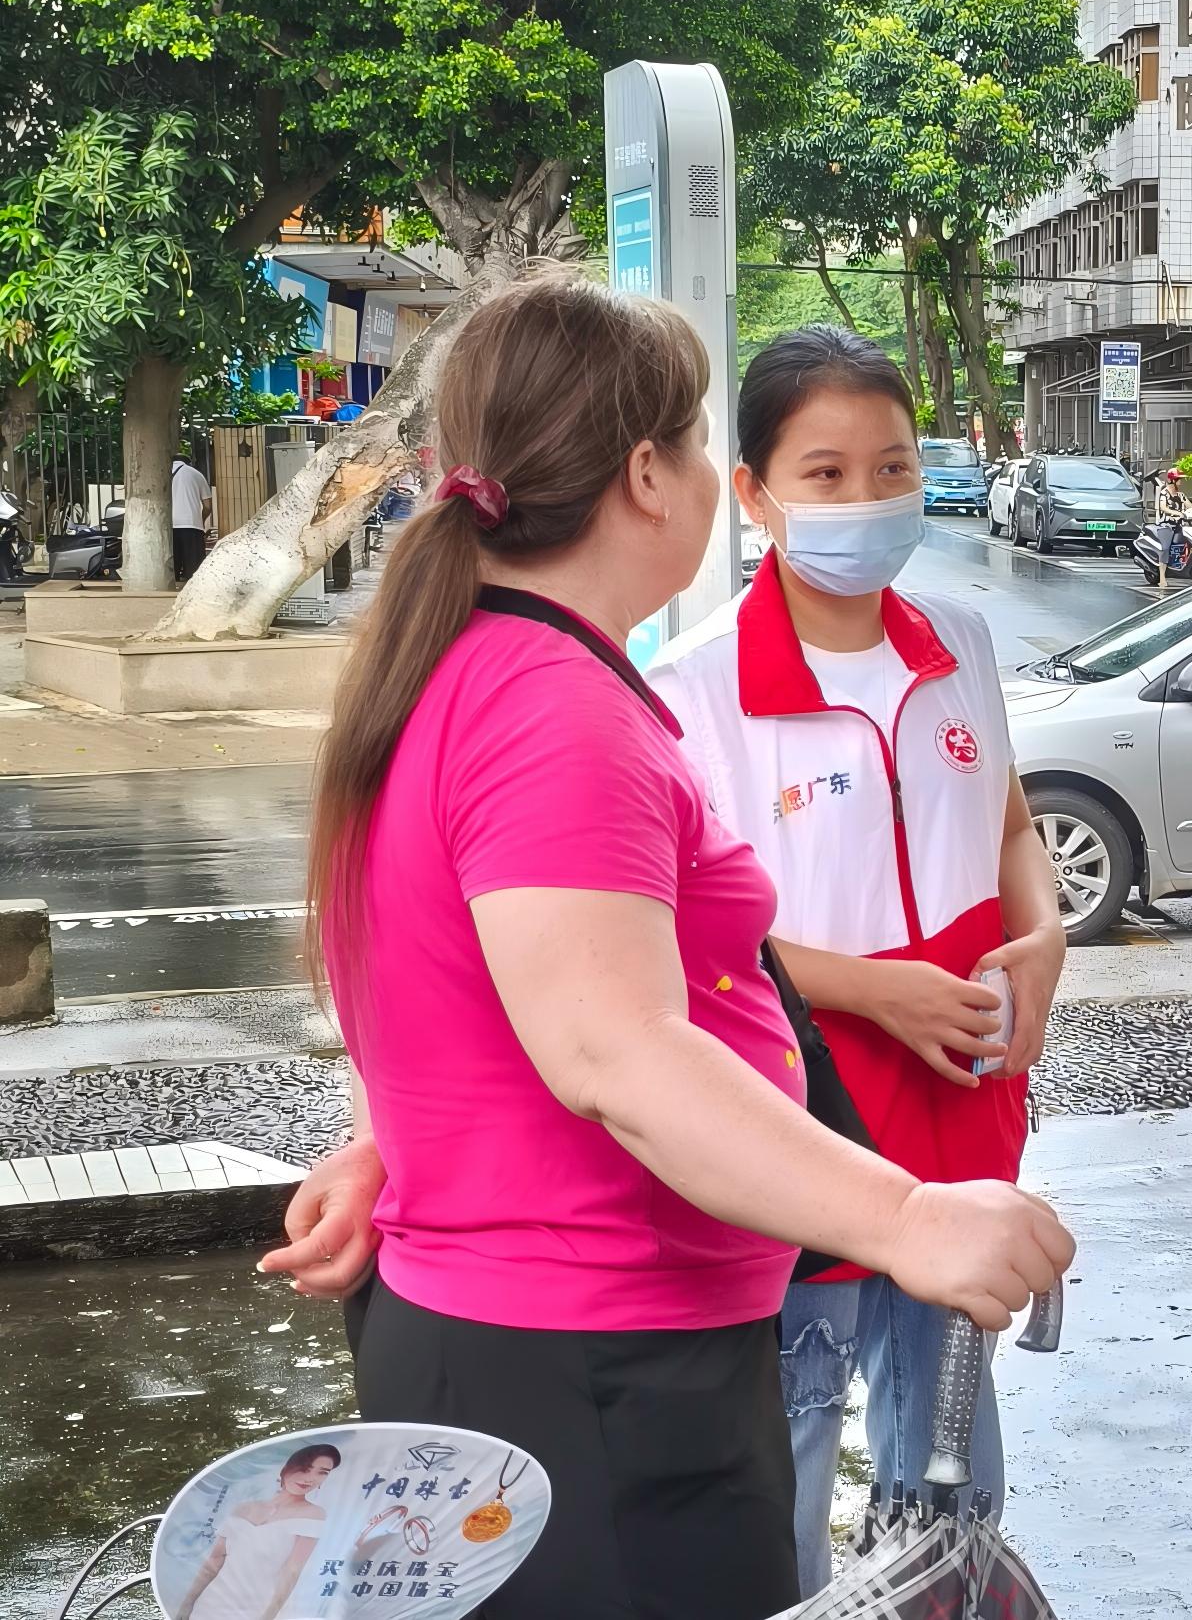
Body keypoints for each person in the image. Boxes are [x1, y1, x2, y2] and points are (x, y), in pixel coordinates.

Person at [258, 277, 1072, 1620]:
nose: (703, 474)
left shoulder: (470, 666)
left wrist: (398, 1138)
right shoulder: (552, 707)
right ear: (651, 473)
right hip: (594, 1377)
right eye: (698, 444)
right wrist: (908, 1212)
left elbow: (449, 991)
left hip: (541, 1346)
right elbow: (614, 1050)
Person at [646, 325, 1067, 1595]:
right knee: (786, 1430)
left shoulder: (960, 646)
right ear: (759, 491)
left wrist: (1043, 939)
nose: (868, 499)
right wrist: (872, 986)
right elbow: (684, 930)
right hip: (803, 1113)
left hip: (961, 1100)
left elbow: (1007, 824)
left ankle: (944, 1588)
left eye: (892, 468)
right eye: (826, 475)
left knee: (947, 1447)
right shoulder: (695, 684)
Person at [180, 1443, 338, 1620]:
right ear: (287, 1469)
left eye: (322, 1472)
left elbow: (292, 1571)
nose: (310, 1478)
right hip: (211, 1602)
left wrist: (268, 1616)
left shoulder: (313, 1515)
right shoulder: (244, 1508)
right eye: (305, 1468)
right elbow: (215, 1560)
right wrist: (187, 1605)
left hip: (257, 1608)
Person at [171, 449, 214, 584]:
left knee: (173, 567)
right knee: (193, 570)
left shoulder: (162, 474)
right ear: (188, 462)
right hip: (192, 525)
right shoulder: (196, 474)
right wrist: (201, 520)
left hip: (169, 525)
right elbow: (207, 506)